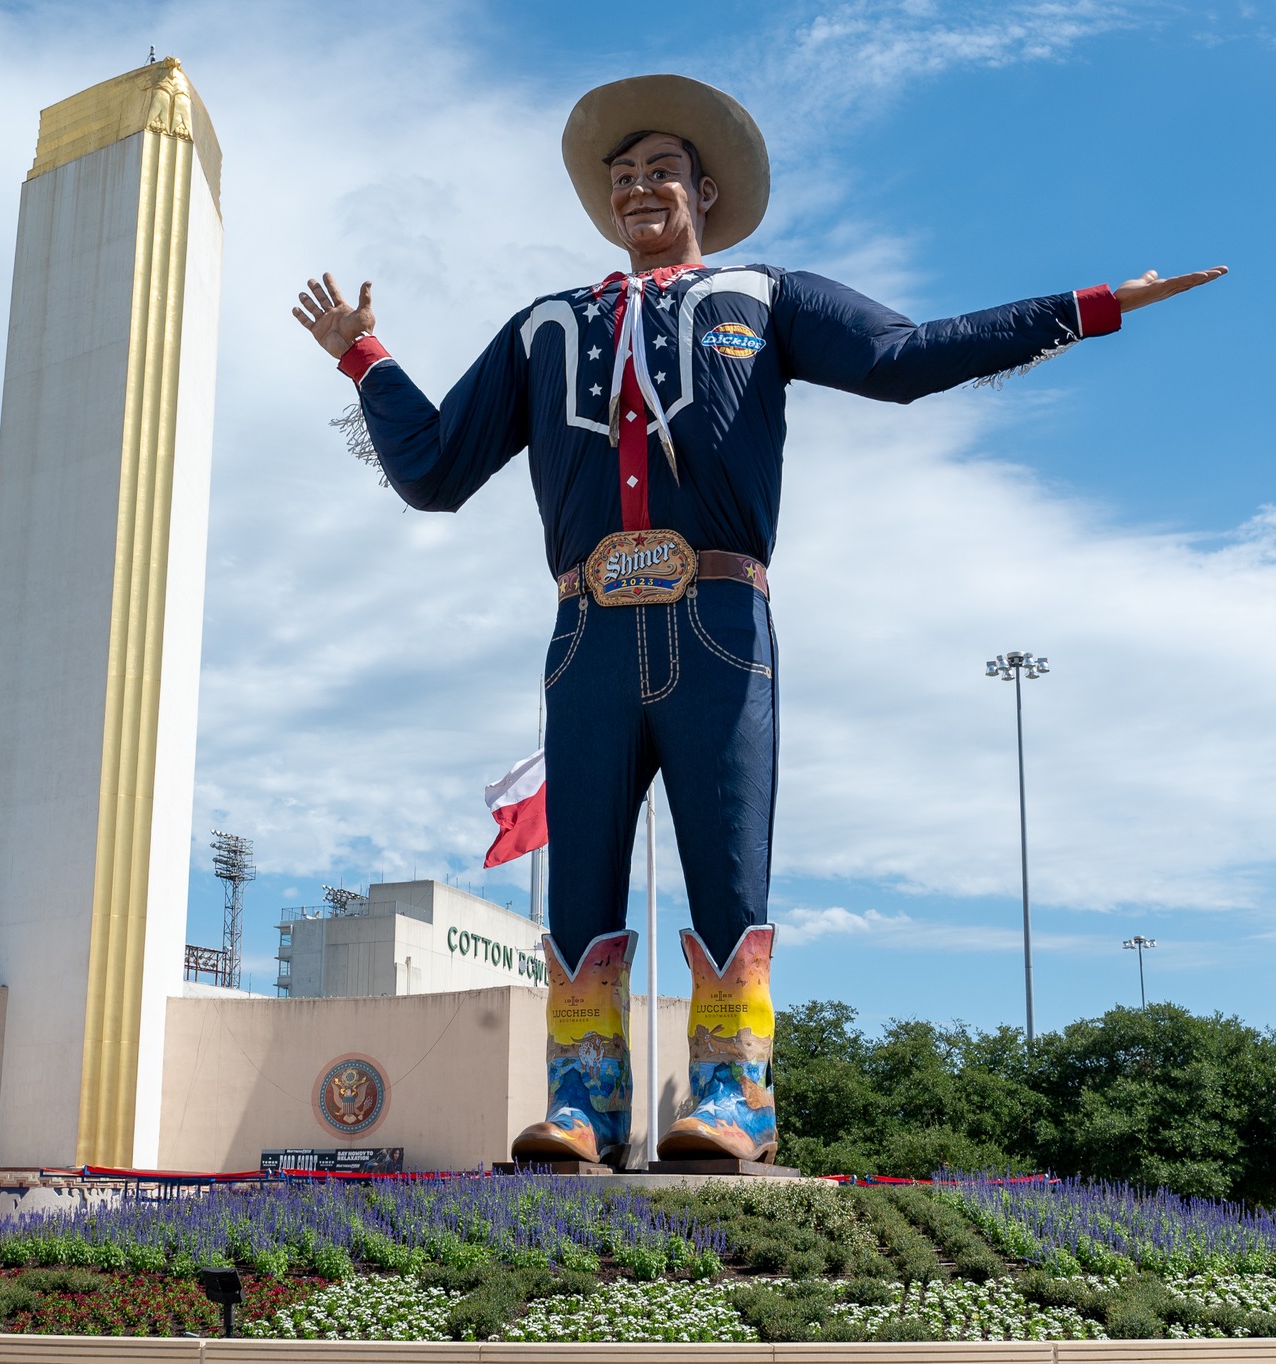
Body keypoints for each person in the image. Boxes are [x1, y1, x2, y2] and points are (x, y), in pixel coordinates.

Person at [294, 74, 1225, 1167]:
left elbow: (903, 359)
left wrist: (1084, 307)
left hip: (718, 620)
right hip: (586, 630)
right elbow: (435, 468)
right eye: (621, 177)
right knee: (581, 874)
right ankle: (583, 1100)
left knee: (726, 869)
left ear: (707, 190)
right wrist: (367, 358)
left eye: (660, 172)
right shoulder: (545, 326)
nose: (639, 188)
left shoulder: (761, 296)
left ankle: (735, 1094)